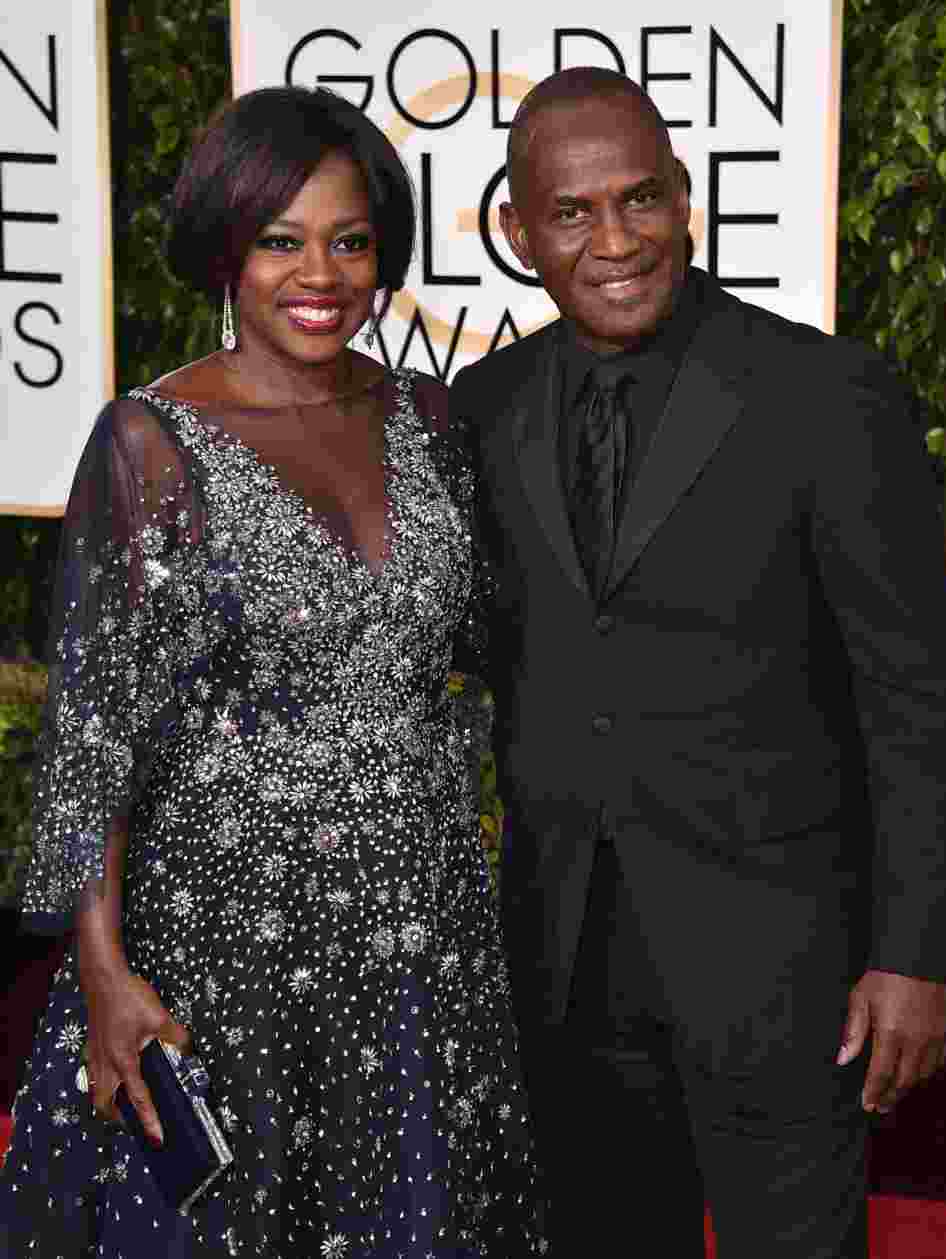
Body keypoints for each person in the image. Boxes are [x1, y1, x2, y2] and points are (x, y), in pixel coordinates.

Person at [0, 85, 545, 1259]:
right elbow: (93, 736)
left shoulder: (430, 418)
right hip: (225, 939)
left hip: (423, 931)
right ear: (226, 250)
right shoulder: (149, 441)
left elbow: (485, 643)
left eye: (350, 242)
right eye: (281, 240)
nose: (320, 275)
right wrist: (103, 970)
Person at [449, 67, 946, 1259]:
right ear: (519, 231)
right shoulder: (482, 409)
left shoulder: (824, 393)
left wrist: (912, 955)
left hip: (785, 977)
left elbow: (914, 699)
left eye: (640, 198)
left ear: (685, 197)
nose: (615, 240)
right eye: (573, 212)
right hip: (565, 972)